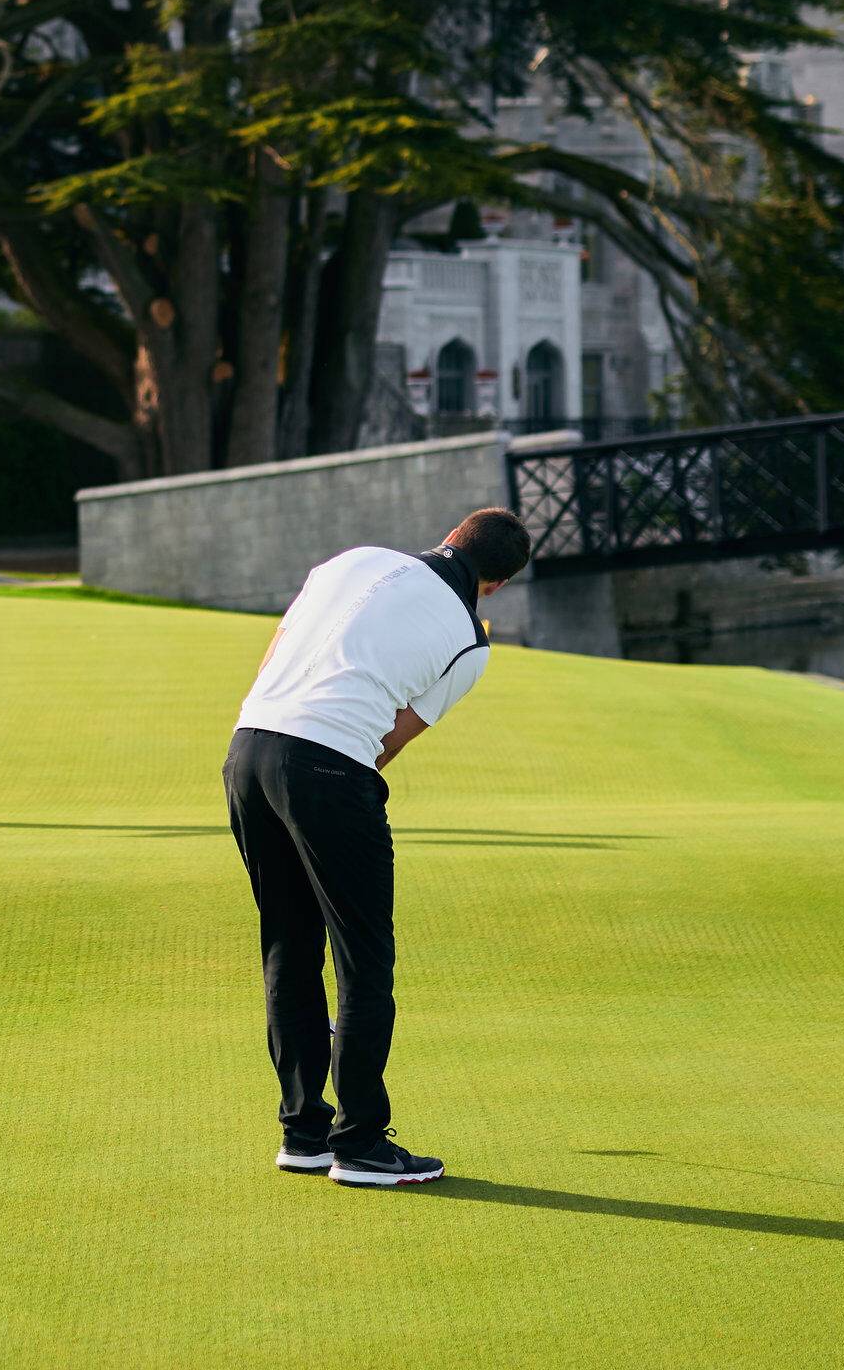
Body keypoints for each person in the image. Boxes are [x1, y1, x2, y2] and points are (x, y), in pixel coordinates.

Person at [223, 505, 531, 1188]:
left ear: (451, 535)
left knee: (288, 943)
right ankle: (360, 1143)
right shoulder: (470, 641)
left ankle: (303, 1133)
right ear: (498, 585)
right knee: (363, 960)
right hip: (328, 767)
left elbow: (279, 648)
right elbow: (388, 741)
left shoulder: (354, 558)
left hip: (247, 749)